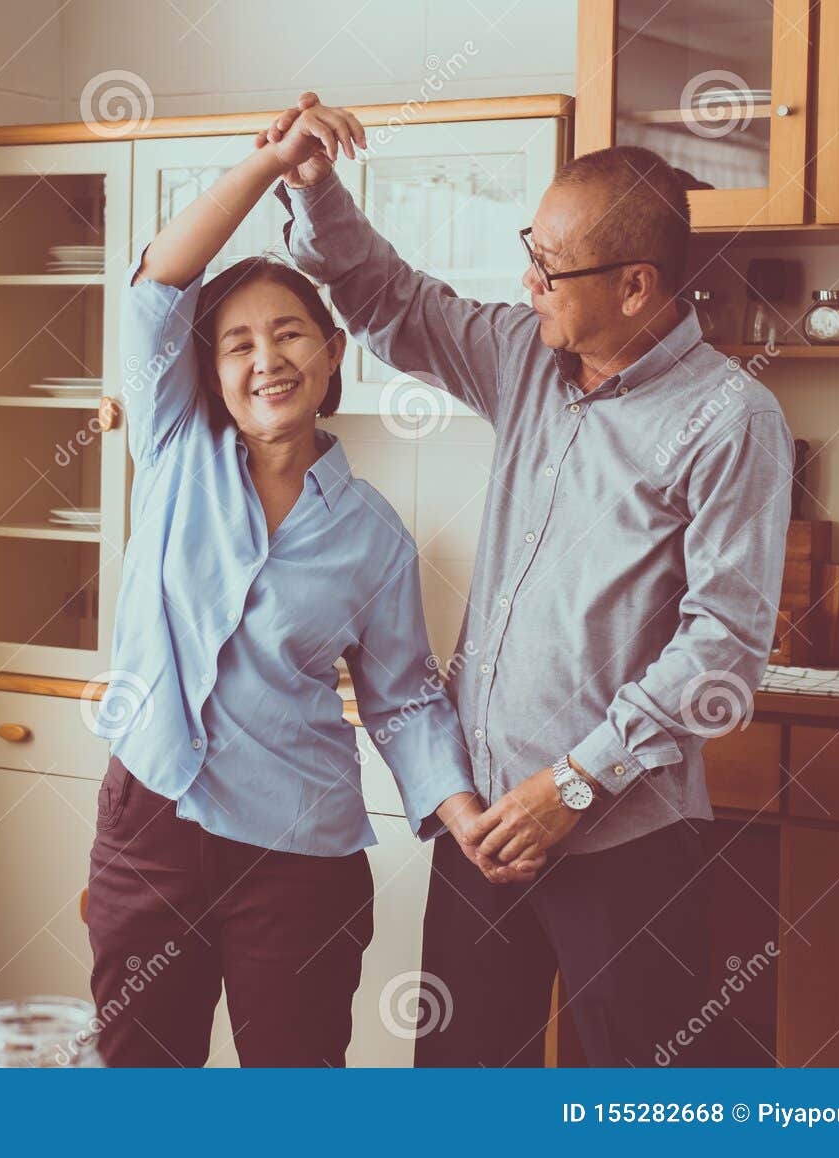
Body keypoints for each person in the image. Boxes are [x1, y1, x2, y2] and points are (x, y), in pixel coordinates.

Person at [258, 94, 793, 1066]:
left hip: (623, 845)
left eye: (550, 268)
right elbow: (393, 302)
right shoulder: (523, 357)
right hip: (485, 831)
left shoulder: (728, 417)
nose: (527, 280)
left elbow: (723, 652)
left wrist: (575, 788)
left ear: (635, 287)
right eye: (529, 251)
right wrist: (314, 186)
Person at [83, 123, 536, 1067]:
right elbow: (159, 287)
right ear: (208, 373)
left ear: (333, 353)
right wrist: (268, 167)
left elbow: (404, 696)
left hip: (298, 853)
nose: (265, 360)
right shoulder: (171, 451)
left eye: (288, 333)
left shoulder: (371, 534)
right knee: (137, 1077)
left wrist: (461, 814)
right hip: (151, 819)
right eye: (237, 343)